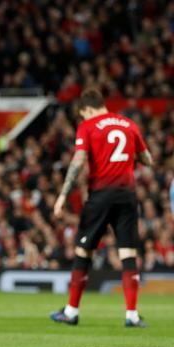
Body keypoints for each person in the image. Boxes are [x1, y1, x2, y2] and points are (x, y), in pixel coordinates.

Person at [51, 88, 152, 328]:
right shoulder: (128, 124)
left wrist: (63, 195)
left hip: (101, 196)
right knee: (128, 253)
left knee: (83, 252)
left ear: (87, 109)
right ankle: (132, 315)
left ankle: (71, 311)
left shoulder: (88, 126)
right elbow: (147, 158)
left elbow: (78, 161)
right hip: (127, 195)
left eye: (83, 114)